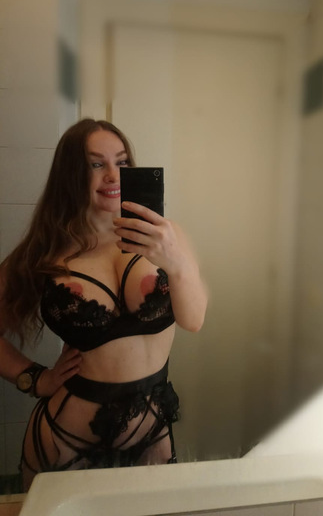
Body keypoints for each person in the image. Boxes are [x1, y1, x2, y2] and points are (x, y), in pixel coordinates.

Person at [0, 118, 207, 491]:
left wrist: (175, 262)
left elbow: (194, 320)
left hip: (151, 437)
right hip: (65, 441)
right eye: (96, 164)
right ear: (70, 175)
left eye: (121, 162)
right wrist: (35, 379)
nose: (113, 175)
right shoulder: (44, 252)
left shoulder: (166, 237)